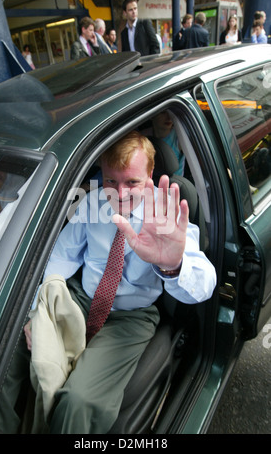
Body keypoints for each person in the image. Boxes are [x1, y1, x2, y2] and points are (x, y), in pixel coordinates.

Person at [23, 131, 216, 434]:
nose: (121, 193)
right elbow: (61, 257)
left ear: (150, 175)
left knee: (79, 401)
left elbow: (203, 286)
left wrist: (172, 265)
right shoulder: (93, 202)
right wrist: (36, 310)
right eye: (112, 181)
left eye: (132, 182)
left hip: (130, 317)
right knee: (10, 355)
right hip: (80, 299)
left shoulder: (165, 215)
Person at [151, 111, 185, 175]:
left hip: (175, 184)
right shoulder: (143, 136)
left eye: (171, 113)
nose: (169, 117)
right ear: (152, 115)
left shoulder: (180, 136)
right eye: (163, 112)